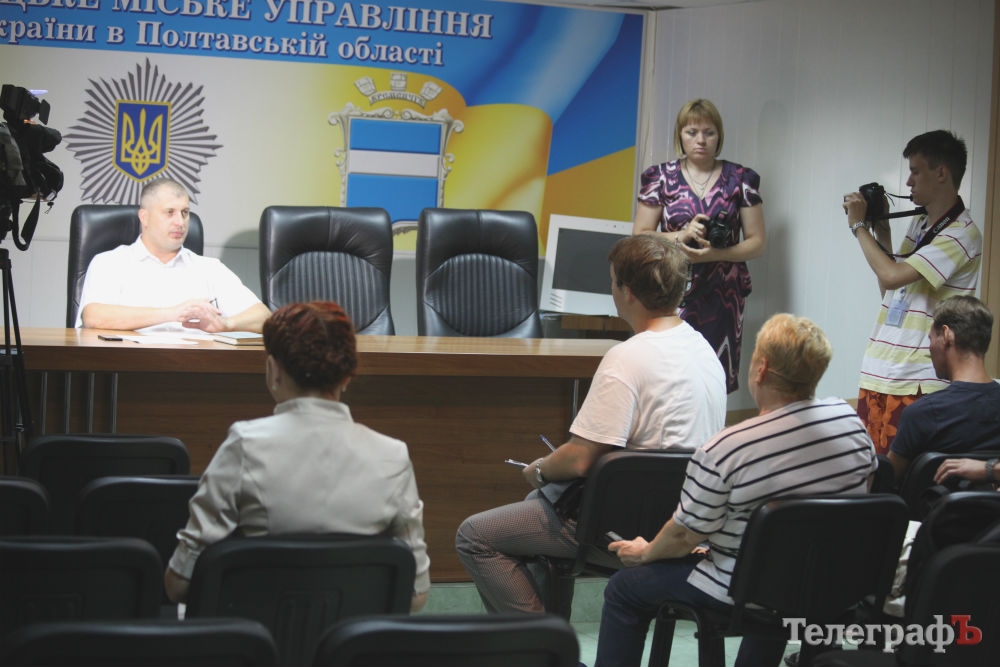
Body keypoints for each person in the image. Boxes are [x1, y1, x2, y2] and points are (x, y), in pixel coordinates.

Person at [455, 234, 727, 615]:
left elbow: (581, 458)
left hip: (621, 527)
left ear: (627, 291)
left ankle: (542, 642)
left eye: (613, 281)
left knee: (475, 535)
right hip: (684, 525)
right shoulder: (706, 351)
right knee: (537, 511)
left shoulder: (626, 358)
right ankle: (547, 637)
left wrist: (540, 470)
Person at [595, 313, 876, 667]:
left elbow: (682, 536)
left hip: (749, 591)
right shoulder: (850, 424)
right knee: (775, 578)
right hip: (830, 584)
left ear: (761, 369)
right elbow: (860, 494)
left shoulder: (727, 448)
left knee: (624, 588)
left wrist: (645, 552)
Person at [164, 301, 430, 612]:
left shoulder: (245, 446)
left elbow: (179, 583)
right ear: (347, 376)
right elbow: (415, 595)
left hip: (256, 636)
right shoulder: (393, 456)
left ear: (273, 370)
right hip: (353, 638)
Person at [843, 130, 982, 455]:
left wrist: (858, 226)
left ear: (941, 173)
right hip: (881, 371)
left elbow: (891, 276)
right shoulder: (921, 224)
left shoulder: (962, 233)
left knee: (905, 479)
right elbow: (891, 289)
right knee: (875, 474)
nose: (908, 182)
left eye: (915, 172)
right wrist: (882, 230)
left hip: (917, 379)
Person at [633, 98, 766, 394]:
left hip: (724, 295)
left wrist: (716, 254)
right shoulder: (661, 178)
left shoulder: (740, 179)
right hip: (672, 291)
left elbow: (757, 243)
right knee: (670, 376)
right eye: (692, 132)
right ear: (680, 135)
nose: (701, 140)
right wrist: (680, 235)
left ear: (719, 136)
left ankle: (714, 427)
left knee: (714, 378)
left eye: (709, 132)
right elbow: (640, 234)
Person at [77, 177, 272, 333]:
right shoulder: (111, 262)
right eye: (169, 212)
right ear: (144, 217)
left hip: (196, 365)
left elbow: (263, 317)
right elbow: (93, 317)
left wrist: (226, 324)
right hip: (129, 365)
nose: (180, 222)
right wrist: (173, 314)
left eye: (185, 213)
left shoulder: (208, 268)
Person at [888, 296, 1000, 482]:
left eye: (931, 338)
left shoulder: (922, 414)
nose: (929, 349)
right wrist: (989, 468)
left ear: (947, 335)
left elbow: (886, 481)